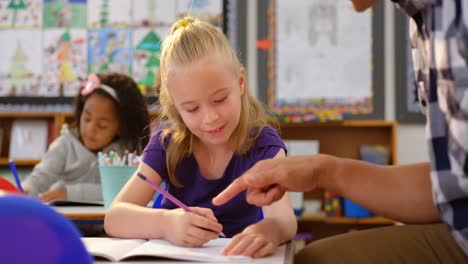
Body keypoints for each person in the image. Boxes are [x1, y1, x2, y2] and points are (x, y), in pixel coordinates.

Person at [213, 0, 468, 263]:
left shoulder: (458, 20)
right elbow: (452, 183)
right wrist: (321, 170)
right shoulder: (427, 23)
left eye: (219, 99)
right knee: (316, 258)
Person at [104, 17, 297, 258]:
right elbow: (114, 218)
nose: (210, 118)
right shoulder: (167, 144)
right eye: (192, 109)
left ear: (240, 82)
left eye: (219, 99)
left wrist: (270, 230)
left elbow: (285, 220)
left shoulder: (263, 145)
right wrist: (167, 224)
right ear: (176, 106)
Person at [23, 73, 151, 203]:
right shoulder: (64, 145)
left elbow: (122, 190)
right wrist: (25, 190)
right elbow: (39, 178)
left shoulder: (128, 152)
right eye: (87, 118)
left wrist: (68, 192)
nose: (90, 130)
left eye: (102, 125)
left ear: (121, 126)